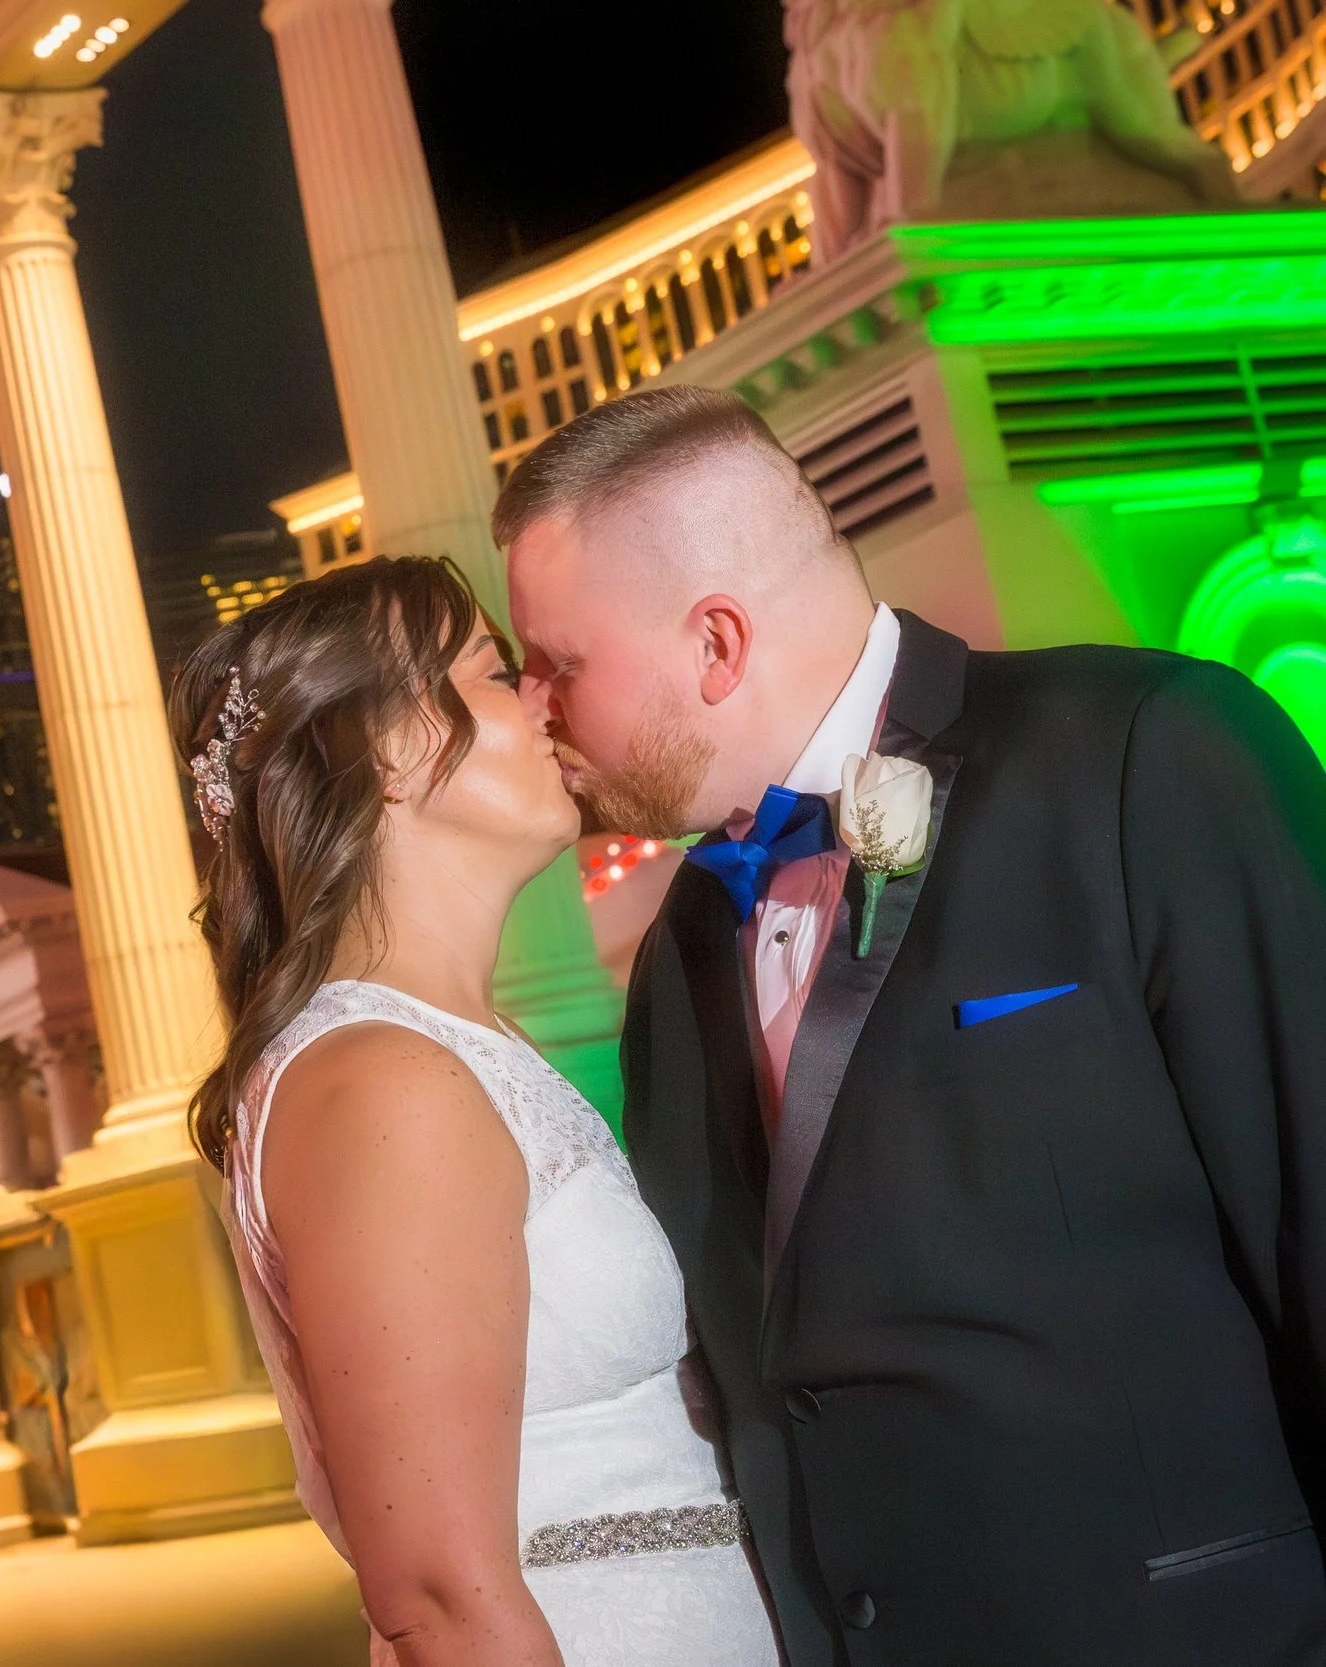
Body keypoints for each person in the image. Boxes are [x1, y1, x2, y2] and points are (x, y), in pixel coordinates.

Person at [501, 385, 1326, 1665]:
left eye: (559, 663)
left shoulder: (1143, 756)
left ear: (715, 642)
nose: (534, 709)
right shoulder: (676, 944)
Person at [175, 555, 777, 1666]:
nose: (545, 696)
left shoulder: (450, 1046)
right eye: (497, 671)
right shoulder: (382, 1084)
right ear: (392, 750)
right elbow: (438, 1593)